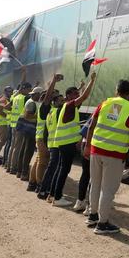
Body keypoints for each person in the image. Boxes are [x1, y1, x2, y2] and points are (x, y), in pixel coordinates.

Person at [83, 79, 129, 234]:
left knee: (95, 184)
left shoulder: (104, 103)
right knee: (108, 190)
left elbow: (92, 125)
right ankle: (102, 224)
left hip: (96, 150)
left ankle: (92, 215)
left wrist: (88, 146)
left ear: (116, 90)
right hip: (115, 155)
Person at [49, 73, 97, 207]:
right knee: (64, 170)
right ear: (69, 95)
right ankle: (57, 198)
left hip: (64, 143)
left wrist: (82, 86)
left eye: (77, 93)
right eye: (75, 93)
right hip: (67, 143)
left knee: (61, 169)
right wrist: (92, 81)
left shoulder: (68, 106)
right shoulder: (69, 105)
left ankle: (52, 194)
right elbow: (85, 96)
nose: (78, 95)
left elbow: (82, 96)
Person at [28, 74, 63, 192]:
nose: (53, 97)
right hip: (42, 138)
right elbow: (48, 96)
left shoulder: (46, 108)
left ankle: (32, 183)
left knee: (38, 160)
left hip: (39, 136)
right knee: (43, 163)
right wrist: (53, 81)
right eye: (52, 95)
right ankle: (39, 185)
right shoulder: (44, 107)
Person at [37, 92, 64, 200]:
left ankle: (44, 189)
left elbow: (46, 131)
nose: (64, 102)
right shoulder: (56, 111)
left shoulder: (51, 112)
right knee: (50, 167)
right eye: (62, 100)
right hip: (55, 144)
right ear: (55, 102)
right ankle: (43, 189)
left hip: (51, 143)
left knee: (50, 167)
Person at [16, 86, 43, 181]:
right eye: (41, 95)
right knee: (28, 151)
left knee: (24, 150)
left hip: (27, 129)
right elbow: (27, 116)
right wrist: (39, 118)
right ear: (37, 94)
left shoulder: (32, 102)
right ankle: (23, 172)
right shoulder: (31, 103)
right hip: (29, 130)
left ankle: (20, 171)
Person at [6, 81, 33, 173]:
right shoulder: (26, 98)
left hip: (13, 124)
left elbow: (7, 107)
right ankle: (13, 168)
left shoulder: (16, 97)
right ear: (25, 89)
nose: (30, 91)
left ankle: (8, 166)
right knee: (17, 148)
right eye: (29, 89)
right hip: (20, 125)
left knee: (13, 146)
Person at [73, 114, 93, 212]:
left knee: (85, 175)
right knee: (94, 178)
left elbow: (84, 131)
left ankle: (80, 201)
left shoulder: (94, 115)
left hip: (86, 147)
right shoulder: (104, 115)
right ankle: (89, 207)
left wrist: (81, 142)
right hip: (94, 148)